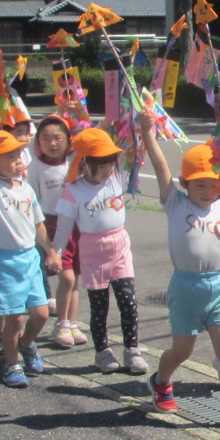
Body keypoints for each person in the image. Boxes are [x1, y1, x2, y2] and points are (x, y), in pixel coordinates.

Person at [140, 123, 220, 431]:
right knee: (183, 350)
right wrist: (147, 133)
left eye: (212, 184)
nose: (207, 191)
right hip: (186, 287)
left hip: (218, 286)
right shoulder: (175, 202)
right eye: (199, 185)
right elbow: (159, 164)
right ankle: (161, 381)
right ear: (184, 183)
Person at [51, 128, 148, 377]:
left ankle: (132, 350)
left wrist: (144, 127)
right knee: (99, 305)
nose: (107, 169)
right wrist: (55, 253)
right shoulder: (74, 190)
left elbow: (135, 146)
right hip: (93, 248)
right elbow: (63, 229)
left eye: (110, 163)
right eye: (101, 165)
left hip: (120, 244)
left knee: (128, 300)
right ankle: (102, 352)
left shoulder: (117, 176)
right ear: (84, 163)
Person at [0, 131, 60, 388]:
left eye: (18, 154)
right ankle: (11, 364)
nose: (18, 159)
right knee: (15, 319)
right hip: (3, 262)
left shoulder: (26, 188)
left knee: (41, 315)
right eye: (9, 157)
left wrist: (50, 251)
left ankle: (27, 344)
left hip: (29, 259)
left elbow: (38, 224)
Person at [30, 115, 85, 349]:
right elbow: (32, 198)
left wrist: (72, 110)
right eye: (46, 139)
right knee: (66, 276)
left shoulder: (74, 160)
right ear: (38, 142)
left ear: (68, 140)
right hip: (52, 224)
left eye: (57, 138)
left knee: (75, 281)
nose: (52, 143)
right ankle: (61, 323)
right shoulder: (36, 166)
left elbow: (87, 135)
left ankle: (71, 322)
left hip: (78, 224)